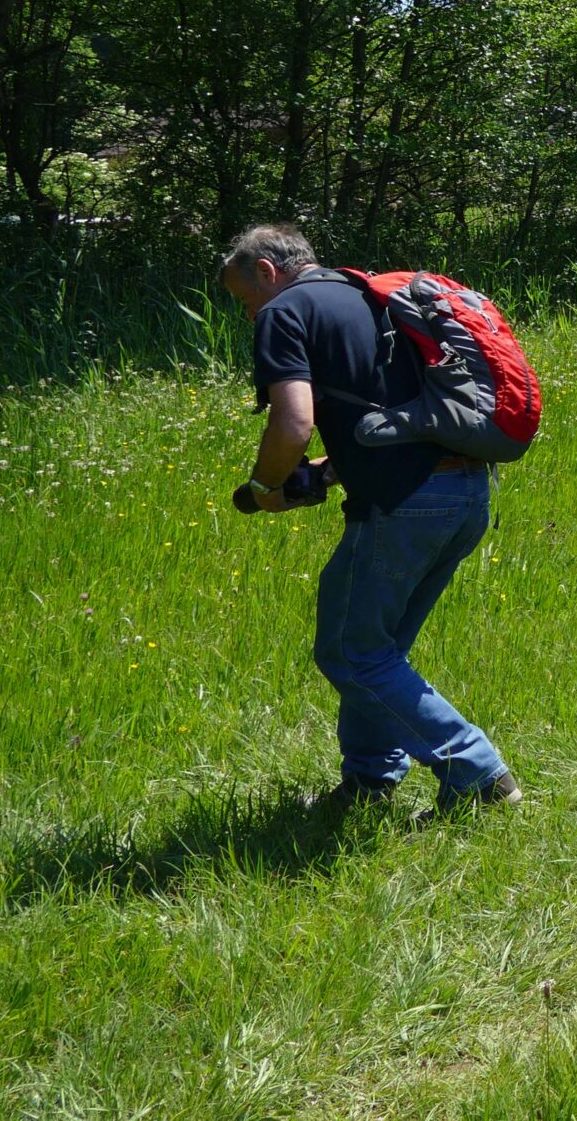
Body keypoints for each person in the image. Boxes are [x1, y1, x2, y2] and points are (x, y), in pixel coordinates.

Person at [218, 225, 519, 817]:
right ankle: (369, 780)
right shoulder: (371, 294)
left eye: (242, 298)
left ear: (265, 272)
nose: (248, 312)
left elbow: (293, 422)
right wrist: (332, 471)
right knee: (377, 649)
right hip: (465, 490)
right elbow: (392, 406)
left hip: (403, 504)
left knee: (351, 653)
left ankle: (480, 776)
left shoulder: (285, 312)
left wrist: (265, 488)